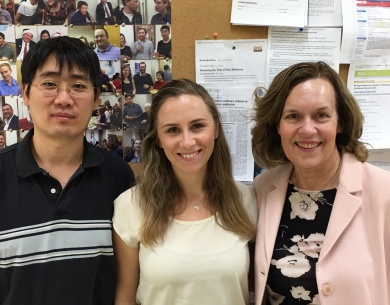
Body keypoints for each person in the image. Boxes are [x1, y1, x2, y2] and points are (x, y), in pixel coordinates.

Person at [0, 36, 135, 304]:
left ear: (96, 97)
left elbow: (126, 281)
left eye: (78, 86)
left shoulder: (118, 176)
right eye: (50, 84)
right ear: (25, 93)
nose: (64, 99)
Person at [251, 61, 390, 305]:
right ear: (277, 126)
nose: (307, 129)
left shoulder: (383, 192)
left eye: (321, 116)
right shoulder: (263, 189)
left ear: (341, 122)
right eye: (293, 116)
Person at [113, 79, 257, 305]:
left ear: (216, 129)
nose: (188, 141)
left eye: (198, 126)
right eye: (172, 130)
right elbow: (125, 297)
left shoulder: (246, 200)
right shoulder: (130, 206)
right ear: (159, 139)